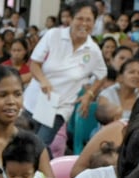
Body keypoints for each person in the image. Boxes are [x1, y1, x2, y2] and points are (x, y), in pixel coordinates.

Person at [22, 0, 106, 146]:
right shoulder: (53, 35)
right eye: (80, 18)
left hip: (59, 108)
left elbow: (102, 75)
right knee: (21, 143)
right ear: (71, 19)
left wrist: (89, 95)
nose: (84, 24)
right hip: (35, 101)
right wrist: (43, 81)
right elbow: (34, 64)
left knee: (39, 146)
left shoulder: (93, 50)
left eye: (89, 20)